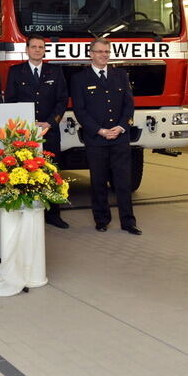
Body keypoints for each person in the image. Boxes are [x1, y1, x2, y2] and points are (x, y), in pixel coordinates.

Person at [70, 37, 140, 235]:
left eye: (106, 52)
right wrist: (99, 130)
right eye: (99, 52)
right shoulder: (80, 79)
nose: (103, 55)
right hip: (96, 138)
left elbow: (129, 104)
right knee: (98, 181)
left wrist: (120, 127)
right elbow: (80, 110)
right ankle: (101, 219)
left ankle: (128, 222)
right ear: (91, 54)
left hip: (120, 137)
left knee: (123, 182)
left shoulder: (120, 75)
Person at [5, 34, 70, 229]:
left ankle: (53, 214)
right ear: (27, 49)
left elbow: (62, 100)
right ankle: (25, 209)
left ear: (44, 50)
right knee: (25, 171)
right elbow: (10, 101)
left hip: (49, 130)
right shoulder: (15, 72)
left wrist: (50, 123)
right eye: (33, 47)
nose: (37, 50)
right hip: (25, 132)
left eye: (41, 47)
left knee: (52, 172)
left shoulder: (55, 71)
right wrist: (27, 124)